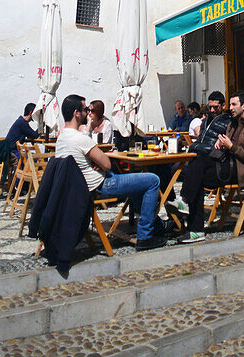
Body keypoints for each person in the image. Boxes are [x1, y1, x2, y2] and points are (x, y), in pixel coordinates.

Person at [55, 94, 166, 251]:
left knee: (136, 186)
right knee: (152, 180)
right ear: (76, 113)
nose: (88, 113)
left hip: (80, 187)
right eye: (85, 109)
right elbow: (107, 164)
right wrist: (98, 162)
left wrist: (93, 162)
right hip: (100, 186)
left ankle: (156, 225)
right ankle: (145, 236)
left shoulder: (62, 138)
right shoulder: (79, 138)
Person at [176, 91, 244, 244]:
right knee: (197, 167)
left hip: (240, 170)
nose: (230, 108)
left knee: (197, 171)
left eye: (233, 104)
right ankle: (195, 230)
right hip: (226, 165)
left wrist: (231, 146)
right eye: (230, 104)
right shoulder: (233, 124)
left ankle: (187, 206)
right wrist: (220, 143)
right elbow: (226, 145)